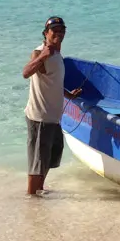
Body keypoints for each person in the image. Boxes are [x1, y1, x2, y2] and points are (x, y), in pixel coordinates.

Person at [21, 16, 80, 195]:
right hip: (40, 117)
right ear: (46, 33)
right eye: (54, 30)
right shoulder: (40, 52)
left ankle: (39, 192)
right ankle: (32, 200)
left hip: (54, 118)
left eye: (62, 30)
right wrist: (43, 56)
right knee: (37, 164)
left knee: (47, 161)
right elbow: (26, 73)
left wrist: (69, 94)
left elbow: (53, 82)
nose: (59, 33)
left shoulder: (57, 54)